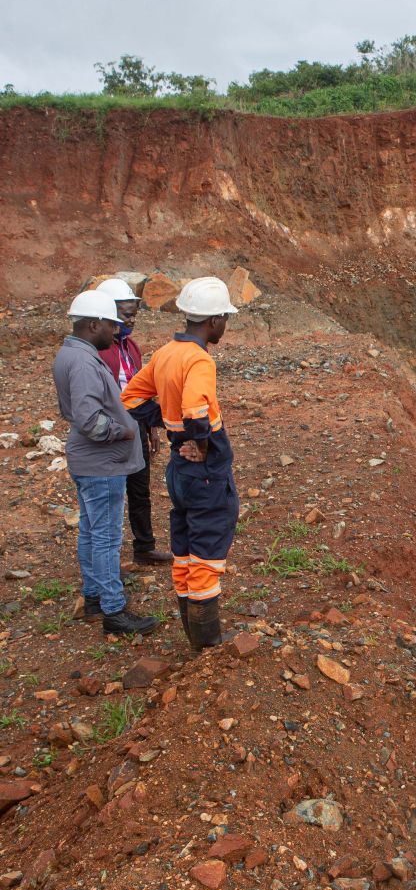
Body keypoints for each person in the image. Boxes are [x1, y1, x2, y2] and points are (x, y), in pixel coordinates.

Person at [121, 277, 239, 650]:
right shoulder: (199, 360)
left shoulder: (166, 352)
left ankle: (194, 631)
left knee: (186, 545)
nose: (224, 325)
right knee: (206, 546)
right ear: (215, 320)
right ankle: (207, 640)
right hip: (203, 471)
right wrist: (198, 441)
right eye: (224, 319)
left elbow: (131, 399)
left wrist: (169, 424)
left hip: (179, 470)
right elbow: (196, 409)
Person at [52, 291, 159, 635]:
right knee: (106, 538)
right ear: (92, 324)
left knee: (91, 531)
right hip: (102, 462)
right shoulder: (83, 361)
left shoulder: (71, 354)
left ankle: (95, 598)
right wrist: (122, 432)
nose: (114, 334)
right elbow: (88, 418)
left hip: (90, 461)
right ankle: (114, 611)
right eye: (110, 326)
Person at [94, 278, 171, 566]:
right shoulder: (99, 350)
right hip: (111, 429)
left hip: (136, 424)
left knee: (140, 489)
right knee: (111, 494)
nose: (132, 320)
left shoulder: (132, 347)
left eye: (134, 314)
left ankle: (144, 547)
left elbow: (143, 389)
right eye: (126, 314)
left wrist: (151, 429)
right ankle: (107, 558)